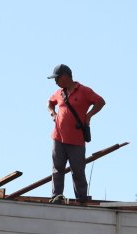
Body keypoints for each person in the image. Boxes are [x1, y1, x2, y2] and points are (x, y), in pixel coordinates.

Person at [47, 64, 105, 205]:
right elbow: (49, 103)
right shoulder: (59, 92)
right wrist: (52, 113)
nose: (55, 82)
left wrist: (89, 115)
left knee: (78, 170)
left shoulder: (84, 91)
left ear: (65, 77)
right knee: (58, 168)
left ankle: (81, 199)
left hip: (76, 139)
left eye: (57, 78)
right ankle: (57, 196)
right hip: (58, 137)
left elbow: (100, 102)